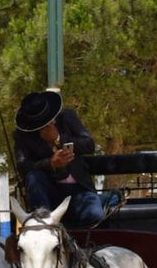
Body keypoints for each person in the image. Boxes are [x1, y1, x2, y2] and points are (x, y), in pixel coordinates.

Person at [13, 90, 109, 229]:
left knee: (94, 214)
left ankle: (98, 201)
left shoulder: (67, 117)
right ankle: (44, 222)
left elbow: (89, 145)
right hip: (48, 193)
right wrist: (50, 163)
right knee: (33, 176)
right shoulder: (22, 135)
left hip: (78, 190)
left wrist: (58, 138)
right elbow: (23, 167)